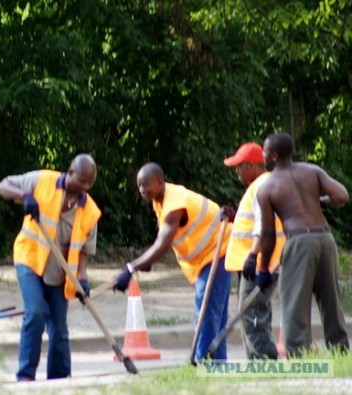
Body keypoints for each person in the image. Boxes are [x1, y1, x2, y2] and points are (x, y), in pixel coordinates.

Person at [113, 162, 232, 362]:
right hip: (206, 255)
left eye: (146, 185)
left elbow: (162, 245)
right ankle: (217, 363)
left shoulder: (174, 203)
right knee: (214, 312)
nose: (142, 190)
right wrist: (146, 261)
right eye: (140, 185)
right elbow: (165, 239)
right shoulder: (160, 199)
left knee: (206, 309)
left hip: (217, 250)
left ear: (160, 182)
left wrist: (131, 268)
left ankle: (203, 361)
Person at [0, 154, 100, 381]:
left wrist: (81, 279)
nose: (84, 187)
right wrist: (24, 196)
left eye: (88, 183)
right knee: (36, 312)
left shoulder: (90, 211)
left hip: (59, 273)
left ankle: (60, 379)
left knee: (59, 328)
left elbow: (83, 251)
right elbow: (2, 186)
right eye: (81, 180)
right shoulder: (42, 180)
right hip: (29, 259)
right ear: (70, 172)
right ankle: (25, 376)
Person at [257, 132, 349, 356]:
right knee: (331, 299)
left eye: (265, 152)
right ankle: (340, 349)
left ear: (275, 156)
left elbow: (267, 235)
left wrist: (263, 268)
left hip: (299, 242)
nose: (263, 156)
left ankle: (299, 353)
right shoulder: (312, 171)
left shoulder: (267, 188)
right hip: (325, 239)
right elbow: (341, 195)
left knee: (294, 301)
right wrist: (321, 202)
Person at [223, 142, 286, 359]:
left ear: (251, 165)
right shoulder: (261, 184)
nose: (236, 171)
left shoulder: (261, 185)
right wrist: (233, 218)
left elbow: (263, 226)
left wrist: (253, 257)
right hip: (258, 261)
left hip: (260, 262)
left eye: (239, 166)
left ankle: (264, 360)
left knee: (252, 312)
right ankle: (256, 362)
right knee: (254, 311)